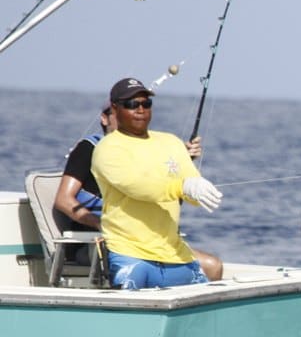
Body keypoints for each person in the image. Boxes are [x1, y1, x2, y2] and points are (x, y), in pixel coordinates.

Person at [53, 102, 223, 278]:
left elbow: (160, 193)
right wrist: (99, 223)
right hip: (97, 243)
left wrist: (183, 161)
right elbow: (63, 200)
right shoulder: (89, 149)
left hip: (146, 240)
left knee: (213, 266)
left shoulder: (141, 151)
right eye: (119, 113)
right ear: (105, 118)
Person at [91, 77, 225, 290]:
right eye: (132, 104)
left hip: (176, 255)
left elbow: (190, 185)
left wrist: (197, 189)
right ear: (115, 109)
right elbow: (138, 186)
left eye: (146, 104)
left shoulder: (170, 142)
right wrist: (182, 187)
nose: (140, 109)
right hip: (130, 255)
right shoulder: (108, 149)